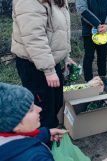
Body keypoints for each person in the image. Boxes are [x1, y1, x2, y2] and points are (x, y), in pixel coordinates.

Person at [11, 0, 75, 128]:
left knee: (56, 102)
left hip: (50, 60)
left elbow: (60, 30)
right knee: (43, 110)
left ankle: (49, 133)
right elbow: (34, 37)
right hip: (34, 66)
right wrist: (49, 70)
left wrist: (66, 57)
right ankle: (43, 142)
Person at [0, 83, 66, 161]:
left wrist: (46, 133)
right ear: (15, 123)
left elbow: (16, 143)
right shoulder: (37, 157)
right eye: (31, 110)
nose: (39, 109)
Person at [76, 0, 107, 93]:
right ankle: (89, 82)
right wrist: (97, 24)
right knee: (89, 57)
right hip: (89, 31)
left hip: (104, 32)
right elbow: (82, 9)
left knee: (102, 56)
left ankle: (103, 79)